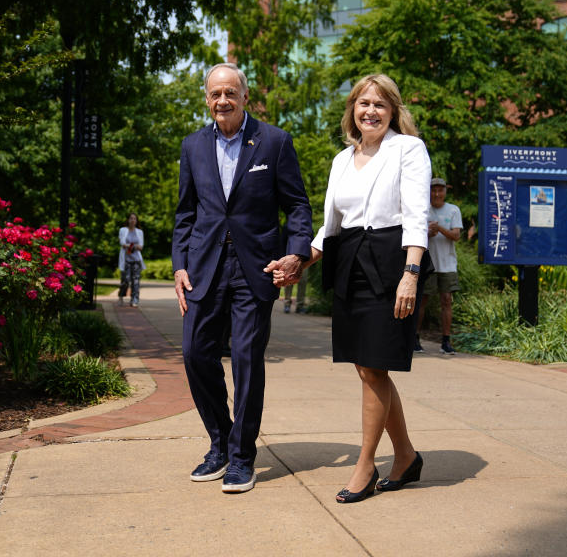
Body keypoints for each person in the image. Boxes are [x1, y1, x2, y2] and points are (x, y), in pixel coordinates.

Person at [274, 73, 431, 504]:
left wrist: (411, 274)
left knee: (375, 366)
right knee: (366, 368)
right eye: (363, 103)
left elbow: (417, 215)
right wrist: (300, 259)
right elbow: (331, 226)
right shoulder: (342, 159)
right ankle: (406, 456)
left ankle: (366, 464)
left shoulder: (408, 149)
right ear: (352, 110)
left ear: (393, 111)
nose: (371, 111)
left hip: (392, 260)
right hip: (350, 265)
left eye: (380, 104)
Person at [173, 63, 312, 494]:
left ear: (245, 96)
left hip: (256, 269)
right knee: (196, 353)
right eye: (215, 94)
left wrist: (296, 252)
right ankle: (220, 442)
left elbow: (299, 207)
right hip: (203, 268)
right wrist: (179, 264)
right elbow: (185, 213)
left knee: (247, 361)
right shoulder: (193, 146)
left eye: (230, 93)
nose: (222, 101)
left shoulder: (274, 141)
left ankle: (242, 458)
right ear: (206, 98)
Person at [417, 178, 462, 354]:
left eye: (440, 190)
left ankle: (446, 340)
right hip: (427, 263)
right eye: (433, 190)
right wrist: (428, 232)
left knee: (446, 301)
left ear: (445, 192)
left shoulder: (453, 210)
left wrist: (440, 229)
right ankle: (415, 337)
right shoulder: (422, 210)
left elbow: (456, 235)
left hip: (447, 264)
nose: (436, 194)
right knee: (422, 301)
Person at [118, 213, 144, 307]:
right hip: (126, 260)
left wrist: (131, 246)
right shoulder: (123, 230)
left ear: (136, 221)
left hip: (136, 260)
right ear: (128, 220)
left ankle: (135, 299)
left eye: (134, 219)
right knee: (125, 279)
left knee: (136, 281)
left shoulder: (139, 232)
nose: (133, 220)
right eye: (131, 218)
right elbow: (122, 243)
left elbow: (141, 246)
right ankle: (121, 295)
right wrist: (133, 246)